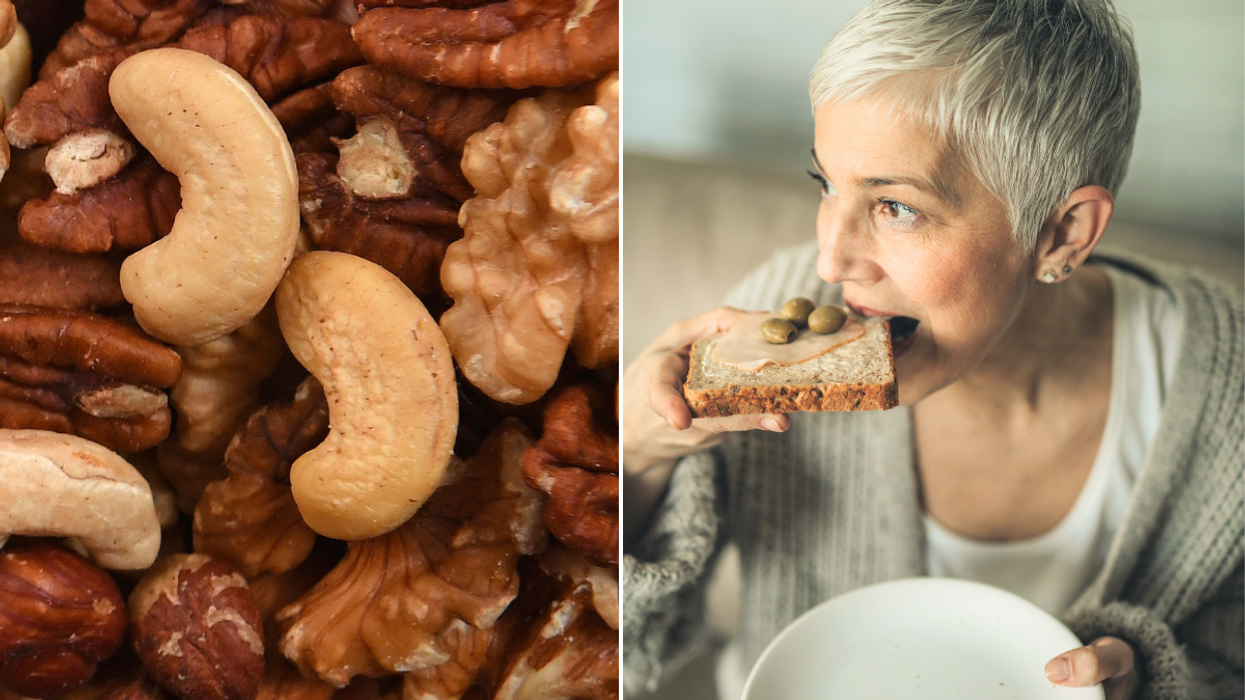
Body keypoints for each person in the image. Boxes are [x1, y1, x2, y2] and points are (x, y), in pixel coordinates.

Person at [621, 1, 1243, 699]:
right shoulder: (777, 326)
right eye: (826, 184)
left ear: (1063, 233)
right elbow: (635, 654)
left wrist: (1149, 683)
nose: (831, 260)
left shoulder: (1227, 387)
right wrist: (638, 460)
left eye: (897, 207)